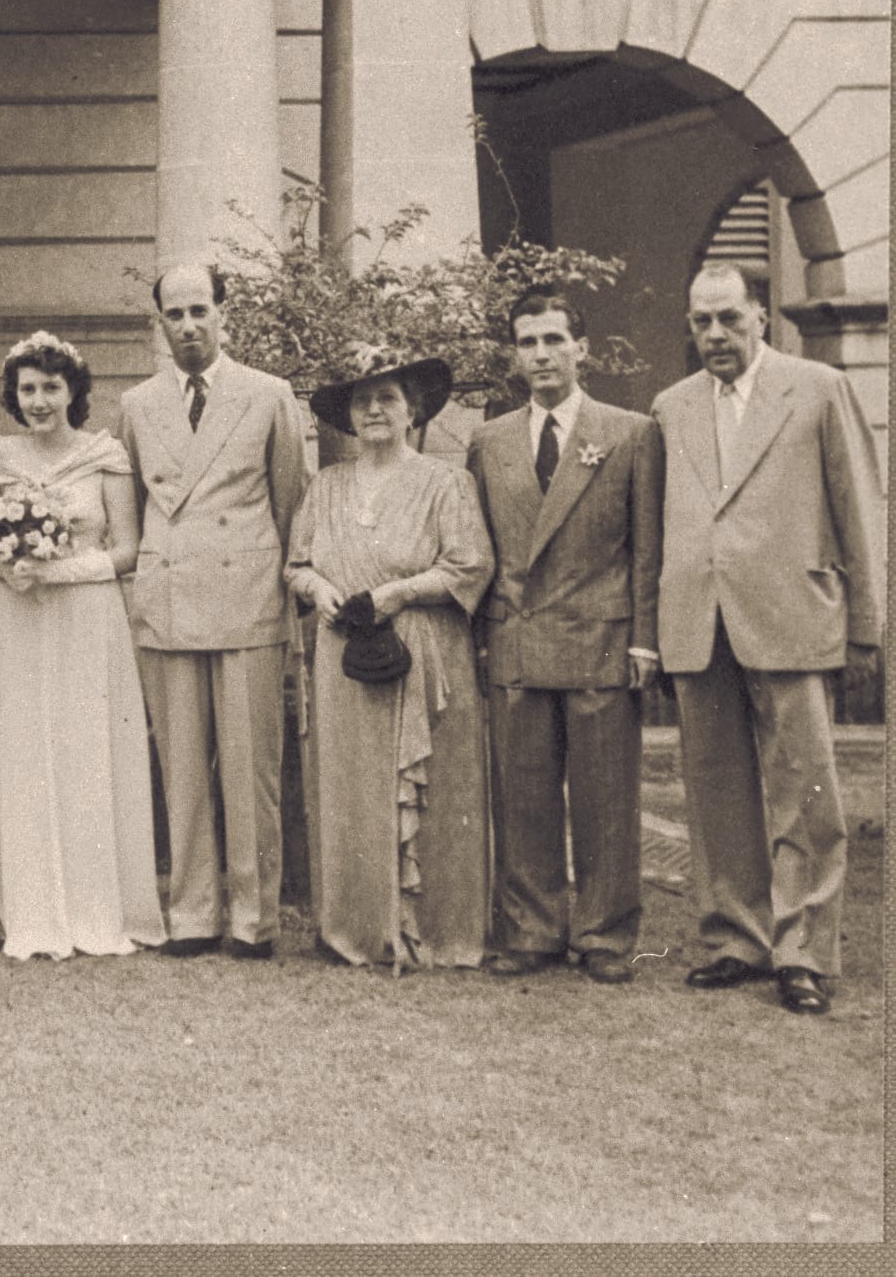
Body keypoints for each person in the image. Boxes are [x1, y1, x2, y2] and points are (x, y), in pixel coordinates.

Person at [653, 263, 884, 1016]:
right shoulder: (670, 406)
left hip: (792, 615)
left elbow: (859, 506)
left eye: (728, 318)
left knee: (805, 791)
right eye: (700, 322)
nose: (714, 335)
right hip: (698, 619)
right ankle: (733, 937)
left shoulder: (816, 388)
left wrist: (865, 623)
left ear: (761, 317)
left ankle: (803, 951)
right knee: (715, 789)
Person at [465, 288, 661, 985]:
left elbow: (646, 546)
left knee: (605, 798)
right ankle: (530, 929)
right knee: (522, 798)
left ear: (581, 348)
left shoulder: (629, 432)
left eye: (553, 339)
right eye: (527, 341)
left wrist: (644, 640)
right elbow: (478, 550)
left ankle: (606, 933)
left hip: (598, 638)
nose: (541, 354)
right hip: (515, 638)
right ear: (513, 355)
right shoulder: (488, 440)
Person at [120, 262, 307, 961]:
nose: (189, 326)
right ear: (160, 322)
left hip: (247, 598)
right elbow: (136, 505)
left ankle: (253, 917)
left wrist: (286, 598)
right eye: (175, 314)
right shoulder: (137, 404)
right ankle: (192, 911)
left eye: (200, 310)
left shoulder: (268, 395)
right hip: (167, 603)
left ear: (223, 314)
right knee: (181, 768)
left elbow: (291, 500)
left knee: (250, 765)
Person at [287, 349, 494, 970]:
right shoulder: (325, 485)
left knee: (430, 793)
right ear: (347, 416)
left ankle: (433, 927)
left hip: (423, 650)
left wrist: (397, 593)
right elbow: (296, 564)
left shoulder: (446, 482)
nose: (374, 410)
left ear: (414, 410)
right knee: (348, 785)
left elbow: (470, 564)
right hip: (342, 652)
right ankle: (355, 924)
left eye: (388, 399)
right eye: (362, 401)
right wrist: (317, 589)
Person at [0, 331, 165, 960]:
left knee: (88, 748)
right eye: (27, 389)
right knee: (27, 746)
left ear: (73, 391)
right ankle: (34, 908)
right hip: (20, 617)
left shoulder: (104, 453)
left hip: (86, 615)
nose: (38, 401)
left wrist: (61, 570)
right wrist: (8, 566)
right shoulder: (0, 457)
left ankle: (96, 905)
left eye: (51, 387)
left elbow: (128, 549)